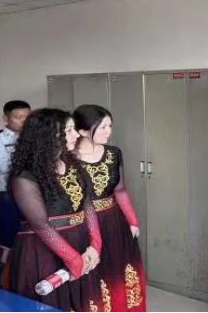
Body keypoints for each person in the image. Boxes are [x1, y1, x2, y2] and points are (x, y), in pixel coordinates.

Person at [9, 109, 104, 312]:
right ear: (47, 136)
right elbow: (41, 226)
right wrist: (73, 259)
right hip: (45, 250)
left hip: (80, 242)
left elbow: (87, 204)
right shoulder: (25, 177)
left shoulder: (71, 164)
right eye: (68, 130)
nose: (76, 134)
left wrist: (95, 244)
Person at [73, 105, 146, 312]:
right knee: (94, 275)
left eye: (110, 126)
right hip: (82, 225)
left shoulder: (114, 153)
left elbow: (120, 190)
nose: (109, 131)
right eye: (103, 127)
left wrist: (132, 221)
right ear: (83, 131)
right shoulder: (68, 158)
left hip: (114, 220)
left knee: (120, 270)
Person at [0, 100, 31, 248]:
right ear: (6, 118)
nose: (24, 121)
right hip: (9, 193)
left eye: (27, 116)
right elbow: (5, 167)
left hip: (33, 191)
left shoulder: (35, 137)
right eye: (18, 117)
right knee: (9, 234)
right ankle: (6, 261)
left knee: (31, 232)